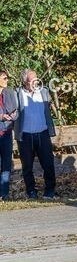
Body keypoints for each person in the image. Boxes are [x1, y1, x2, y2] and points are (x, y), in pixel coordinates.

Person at [14, 69, 58, 199]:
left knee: (48, 164)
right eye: (31, 80)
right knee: (27, 166)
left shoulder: (43, 92)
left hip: (43, 133)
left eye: (36, 79)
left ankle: (50, 191)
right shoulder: (17, 93)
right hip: (25, 136)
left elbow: (48, 109)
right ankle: (31, 191)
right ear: (24, 81)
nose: (35, 82)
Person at [0, 71, 16, 200]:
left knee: (6, 164)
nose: (7, 80)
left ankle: (4, 194)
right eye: (4, 78)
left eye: (7, 78)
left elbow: (15, 108)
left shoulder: (9, 93)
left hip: (6, 133)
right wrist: (1, 116)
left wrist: (13, 115)